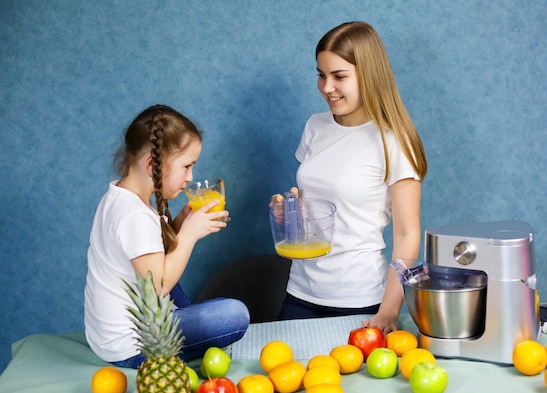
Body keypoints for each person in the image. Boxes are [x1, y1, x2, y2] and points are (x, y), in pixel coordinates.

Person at [271, 22, 427, 334]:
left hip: (361, 300)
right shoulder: (315, 126)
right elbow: (321, 202)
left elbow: (408, 235)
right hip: (300, 291)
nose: (326, 87)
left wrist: (388, 311)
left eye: (339, 76)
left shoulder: (393, 141)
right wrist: (289, 209)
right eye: (321, 74)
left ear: (369, 75)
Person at [84, 104, 250, 368]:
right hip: (134, 345)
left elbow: (149, 253)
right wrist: (189, 235)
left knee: (180, 278)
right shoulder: (133, 215)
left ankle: (187, 318)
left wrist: (181, 222)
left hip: (110, 336)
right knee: (234, 314)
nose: (190, 177)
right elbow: (159, 285)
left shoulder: (120, 197)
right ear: (152, 164)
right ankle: (191, 321)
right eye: (186, 167)